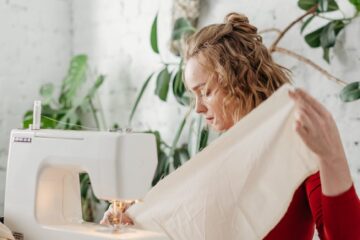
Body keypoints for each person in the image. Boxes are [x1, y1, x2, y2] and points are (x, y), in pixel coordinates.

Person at [101, 12, 360, 239]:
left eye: (206, 91)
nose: (198, 108)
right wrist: (136, 226)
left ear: (240, 79)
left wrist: (332, 157)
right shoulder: (216, 162)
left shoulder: (296, 141)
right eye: (194, 95)